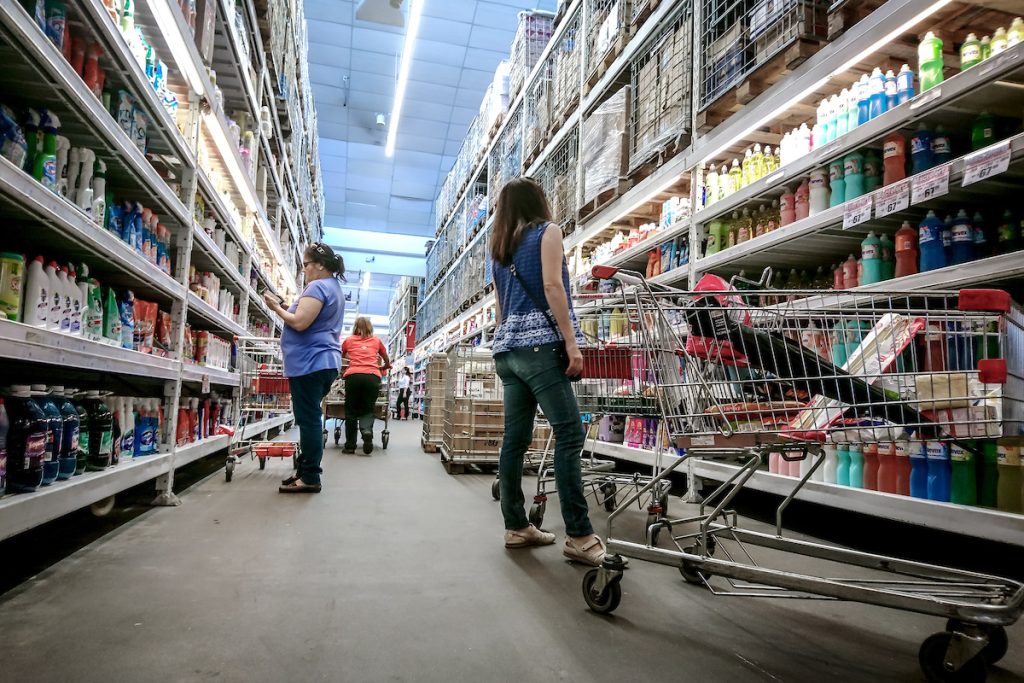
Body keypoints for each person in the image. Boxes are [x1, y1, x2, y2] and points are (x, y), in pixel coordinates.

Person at [489, 177, 605, 567]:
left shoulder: (499, 250)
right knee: (570, 432)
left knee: (515, 440)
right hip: (540, 348)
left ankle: (517, 526)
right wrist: (572, 344)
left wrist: (512, 340)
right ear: (539, 200)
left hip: (508, 351)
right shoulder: (547, 232)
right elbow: (554, 287)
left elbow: (501, 310)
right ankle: (579, 534)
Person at [265, 242, 345, 493]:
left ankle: (310, 476)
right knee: (310, 417)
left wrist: (275, 307)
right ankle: (304, 471)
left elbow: (300, 322)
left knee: (309, 419)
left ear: (320, 265)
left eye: (307, 264)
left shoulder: (318, 286)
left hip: (311, 362)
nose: (304, 270)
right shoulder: (333, 287)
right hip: (321, 361)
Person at [341, 317, 390, 454]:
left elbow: (341, 355)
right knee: (367, 408)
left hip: (353, 376)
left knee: (351, 411)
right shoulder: (376, 341)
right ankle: (366, 431)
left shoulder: (349, 340)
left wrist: (346, 364)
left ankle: (350, 446)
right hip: (372, 377)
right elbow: (385, 357)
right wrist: (386, 365)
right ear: (370, 327)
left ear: (355, 326)